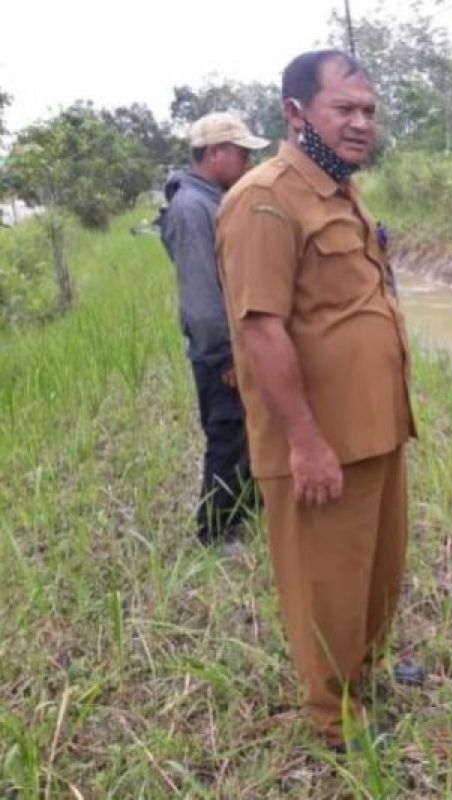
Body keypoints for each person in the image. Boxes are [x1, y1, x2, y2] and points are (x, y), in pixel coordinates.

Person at [216, 50, 420, 749]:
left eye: (368, 110)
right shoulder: (264, 200)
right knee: (326, 586)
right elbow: (262, 329)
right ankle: (334, 721)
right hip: (321, 438)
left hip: (376, 426)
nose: (362, 123)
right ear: (296, 112)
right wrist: (305, 443)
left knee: (378, 569)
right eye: (345, 109)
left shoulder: (339, 189)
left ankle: (366, 674)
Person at [159, 112, 269, 549]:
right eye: (241, 153)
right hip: (219, 351)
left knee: (247, 430)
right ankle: (216, 532)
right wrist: (225, 355)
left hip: (232, 344)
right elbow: (203, 296)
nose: (247, 162)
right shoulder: (192, 208)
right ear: (215, 153)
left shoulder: (211, 200)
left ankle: (245, 510)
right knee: (226, 435)